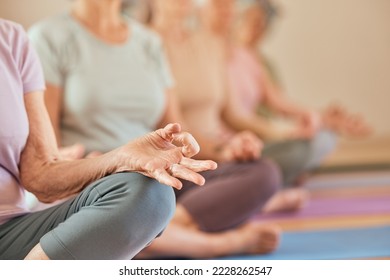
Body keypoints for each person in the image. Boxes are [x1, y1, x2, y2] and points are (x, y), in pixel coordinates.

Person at [29, 0, 282, 259]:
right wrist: (97, 167)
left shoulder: (148, 42)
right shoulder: (48, 37)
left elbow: (176, 130)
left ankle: (148, 233)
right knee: (141, 193)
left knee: (264, 172)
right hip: (100, 176)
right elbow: (51, 153)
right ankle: (216, 241)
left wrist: (227, 150)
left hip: (156, 175)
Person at [0, 18, 217, 260]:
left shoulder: (13, 40)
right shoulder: (50, 36)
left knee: (150, 194)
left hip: (10, 232)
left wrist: (122, 157)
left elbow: (41, 176)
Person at [148, 0, 311, 212]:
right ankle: (249, 203)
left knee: (277, 162)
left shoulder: (210, 44)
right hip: (182, 157)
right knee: (262, 174)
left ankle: (237, 201)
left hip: (216, 147)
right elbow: (172, 126)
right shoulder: (146, 42)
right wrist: (222, 150)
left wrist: (279, 134)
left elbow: (233, 114)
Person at [230, 0, 373, 174]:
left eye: (262, 23)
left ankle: (275, 179)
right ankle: (270, 182)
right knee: (298, 151)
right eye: (252, 20)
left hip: (265, 136)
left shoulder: (255, 60)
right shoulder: (222, 54)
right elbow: (235, 117)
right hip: (242, 143)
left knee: (325, 138)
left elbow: (280, 103)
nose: (257, 28)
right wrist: (285, 133)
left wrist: (323, 119)